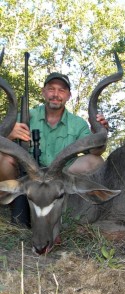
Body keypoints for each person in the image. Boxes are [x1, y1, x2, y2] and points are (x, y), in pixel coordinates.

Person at [0, 72, 109, 227]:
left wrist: (99, 132)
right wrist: (8, 135)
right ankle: (17, 203)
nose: (56, 94)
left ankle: (63, 206)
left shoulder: (78, 124)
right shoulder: (26, 116)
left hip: (60, 179)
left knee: (94, 162)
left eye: (62, 90)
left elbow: (96, 152)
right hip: (29, 180)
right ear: (44, 92)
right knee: (3, 158)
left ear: (68, 96)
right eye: (51, 89)